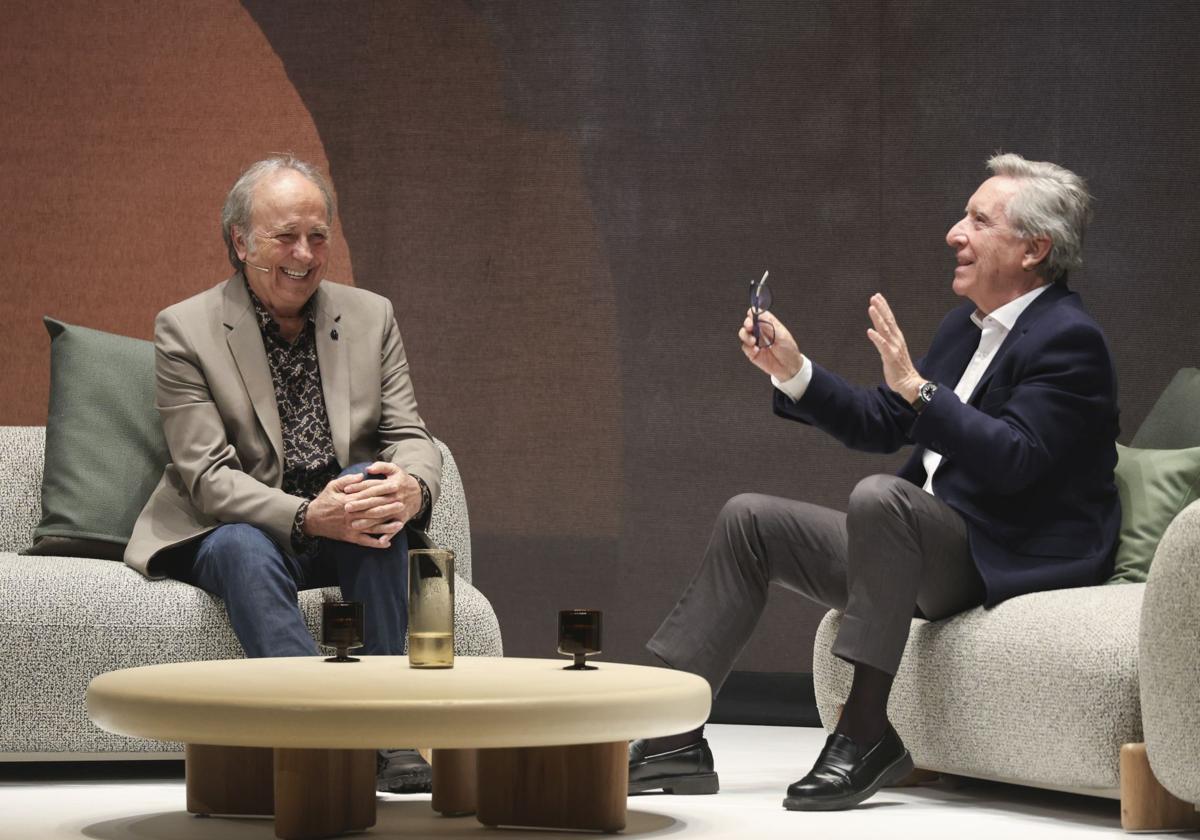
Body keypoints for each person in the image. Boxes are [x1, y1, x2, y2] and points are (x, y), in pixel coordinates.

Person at [629, 153, 1120, 811]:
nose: (955, 232)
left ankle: (864, 734)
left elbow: (1016, 460)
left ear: (1035, 249)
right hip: (919, 545)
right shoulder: (967, 328)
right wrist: (794, 369)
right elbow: (884, 419)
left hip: (1001, 554)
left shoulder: (1071, 340)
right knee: (751, 520)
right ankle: (671, 736)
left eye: (979, 219)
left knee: (883, 497)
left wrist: (920, 390)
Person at [124, 156, 441, 793]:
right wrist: (303, 514)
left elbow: (411, 437)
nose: (304, 253)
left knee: (368, 495)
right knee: (243, 546)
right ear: (240, 243)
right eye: (285, 236)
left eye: (318, 236)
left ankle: (390, 728)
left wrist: (413, 486)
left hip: (342, 521)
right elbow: (209, 477)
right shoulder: (184, 328)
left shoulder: (371, 316)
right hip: (240, 524)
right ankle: (318, 730)